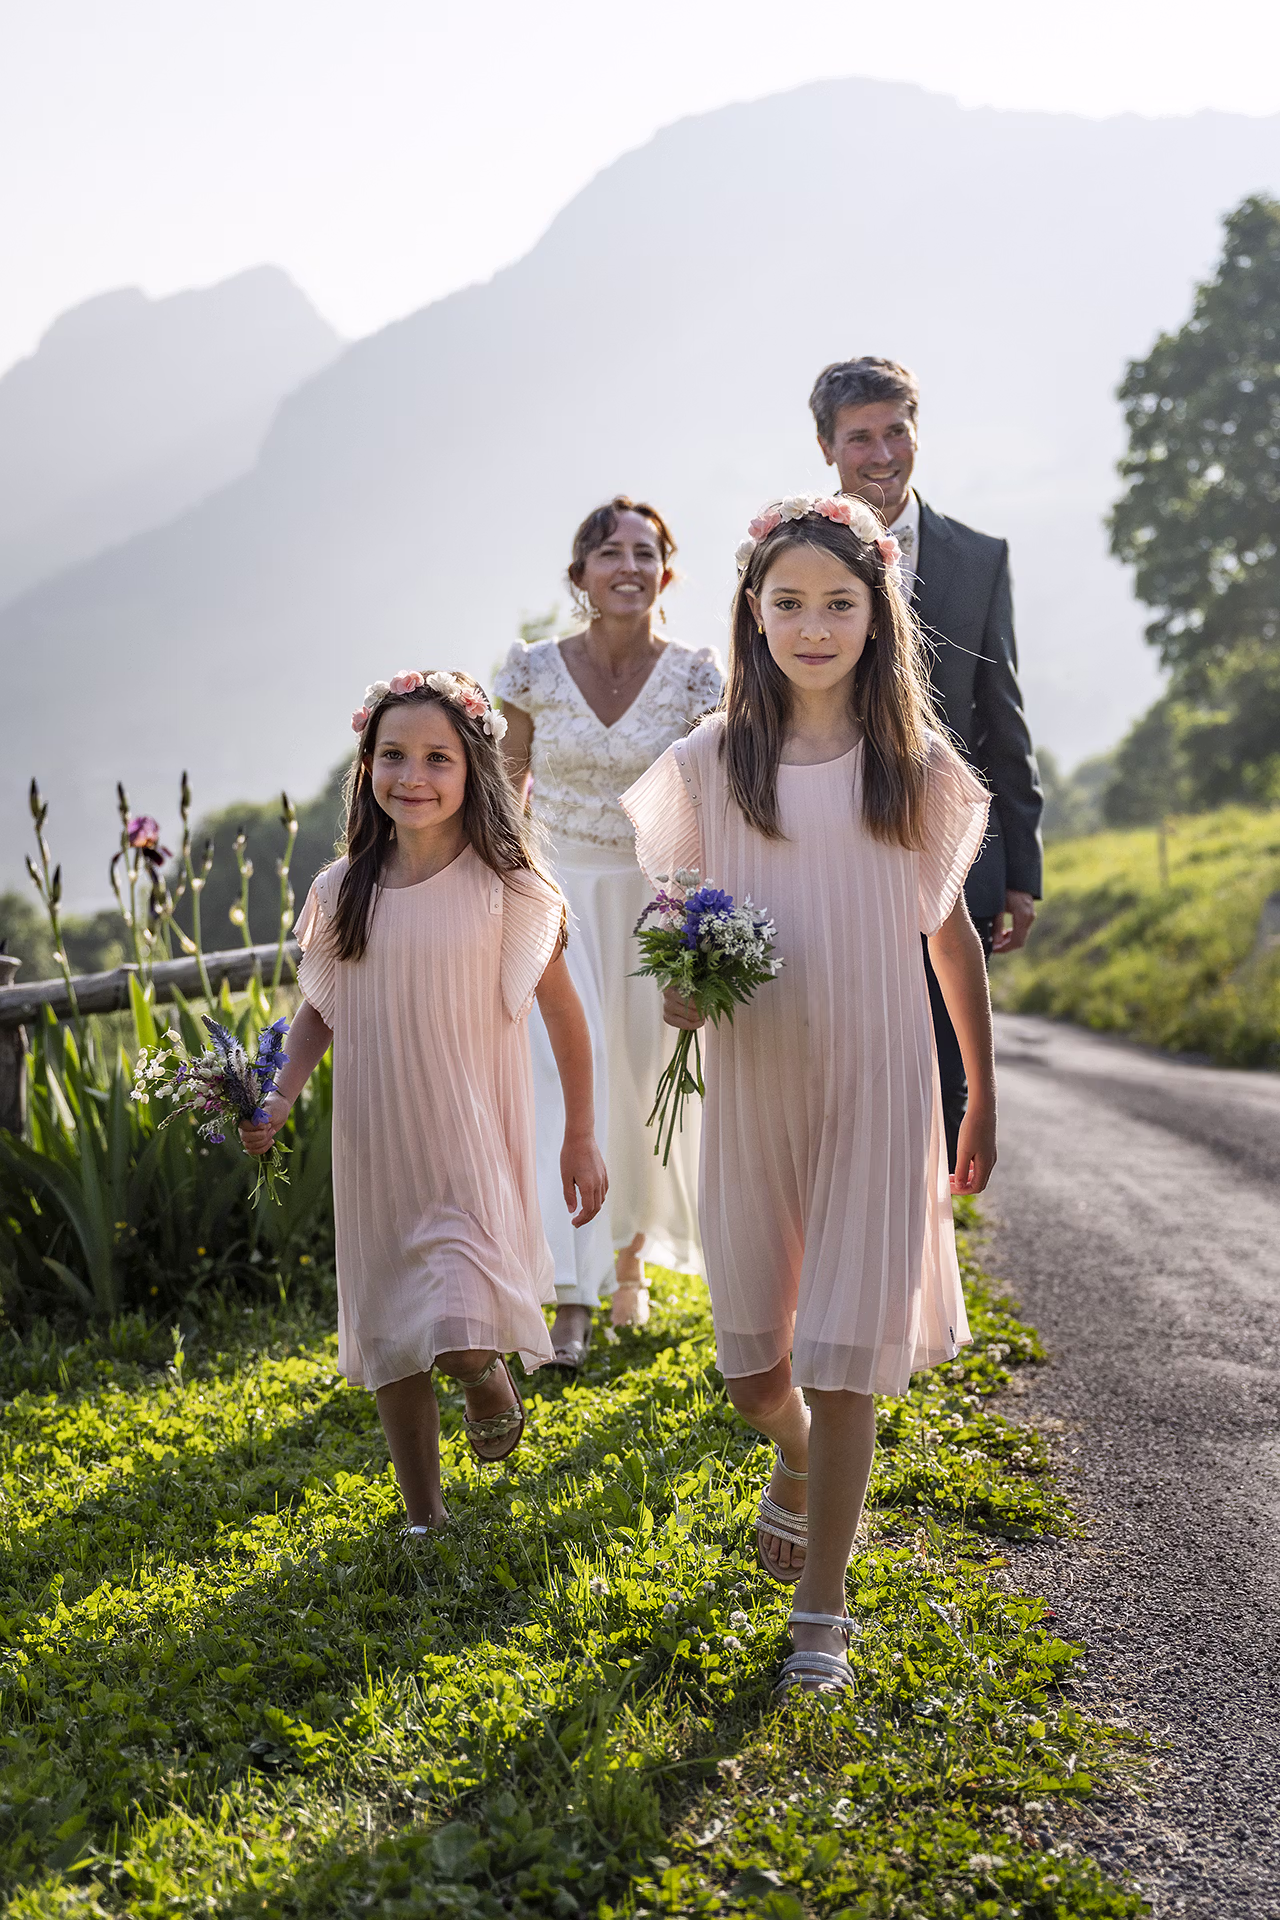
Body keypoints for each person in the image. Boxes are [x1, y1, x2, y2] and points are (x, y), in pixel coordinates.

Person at [621, 494, 996, 1697]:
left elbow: (948, 941)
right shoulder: (705, 765)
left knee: (842, 1358)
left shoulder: (916, 768)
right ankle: (788, 1454)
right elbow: (669, 916)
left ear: (877, 615)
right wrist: (676, 986)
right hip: (756, 1077)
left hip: (882, 1083)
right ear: (751, 612)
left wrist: (977, 1088)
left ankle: (819, 1615)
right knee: (756, 1373)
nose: (813, 626)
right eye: (787, 603)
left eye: (838, 603)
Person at [239, 668, 607, 1535]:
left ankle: (483, 1373)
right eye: (393, 755)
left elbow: (566, 1019)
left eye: (437, 758)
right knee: (393, 1330)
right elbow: (320, 1007)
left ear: (474, 769)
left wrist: (581, 1135)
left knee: (453, 1317)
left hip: (469, 1137)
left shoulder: (509, 890)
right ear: (366, 765)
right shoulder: (342, 890)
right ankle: (425, 1514)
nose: (414, 776)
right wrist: (281, 1093)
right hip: (376, 1141)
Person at [495, 497, 723, 1368]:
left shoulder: (699, 675)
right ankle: (571, 1295)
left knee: (641, 1079)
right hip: (555, 899)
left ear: (666, 571)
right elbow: (504, 793)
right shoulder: (533, 671)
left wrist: (691, 924)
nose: (627, 566)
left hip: (657, 896)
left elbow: (710, 803)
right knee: (559, 1084)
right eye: (607, 552)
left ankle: (631, 1258)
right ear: (578, 572)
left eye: (645, 553)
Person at [809, 356, 1043, 1166]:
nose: (881, 454)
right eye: (860, 437)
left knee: (946, 1064)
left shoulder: (980, 558)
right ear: (826, 446)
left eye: (896, 431)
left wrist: (1021, 866)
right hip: (825, 841)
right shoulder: (789, 554)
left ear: (917, 433)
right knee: (838, 1065)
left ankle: (928, 1255)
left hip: (953, 847)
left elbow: (1001, 717)